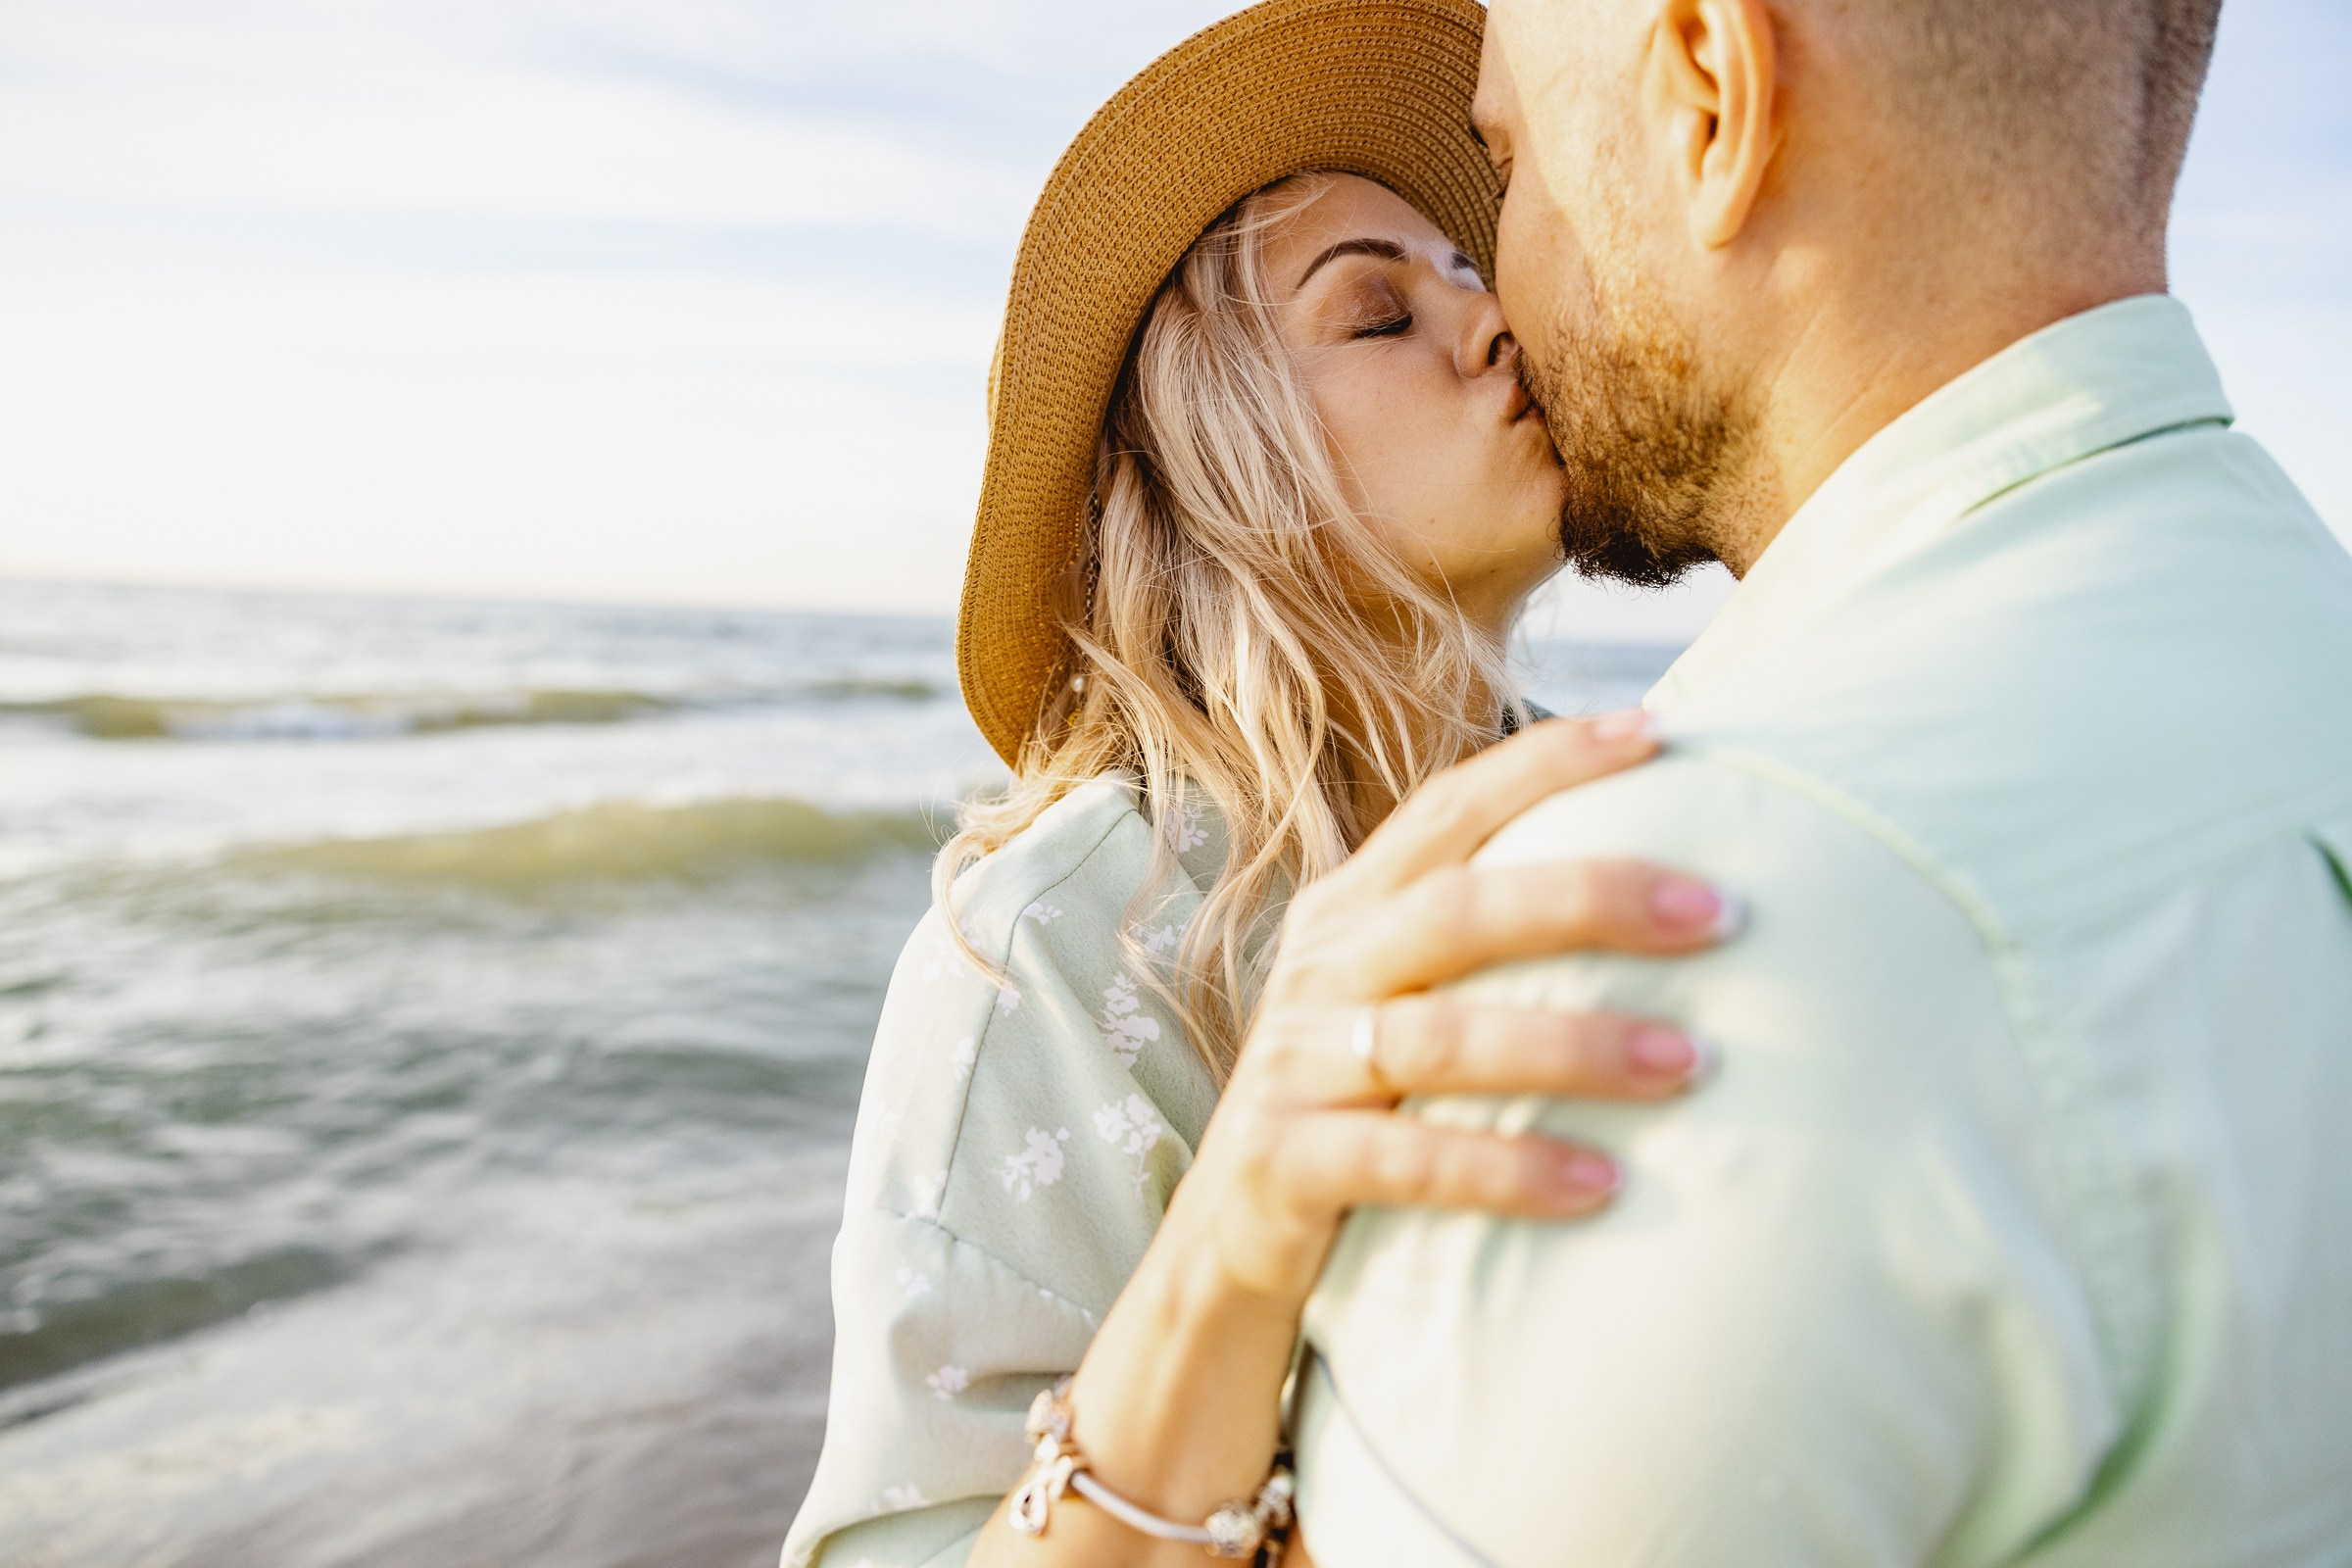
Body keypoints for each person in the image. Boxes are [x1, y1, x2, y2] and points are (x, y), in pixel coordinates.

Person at [1288, 0, 2352, 1562]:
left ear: (1712, 103)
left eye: (1507, 164)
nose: (1499, 294)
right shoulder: (2301, 637)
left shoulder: (1675, 935)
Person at [783, 3, 1741, 1564]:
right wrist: (1235, 1244)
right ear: (1223, 456)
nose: (1493, 322)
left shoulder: (1610, 814)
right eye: (1377, 313)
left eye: (1474, 270)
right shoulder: (1061, 945)